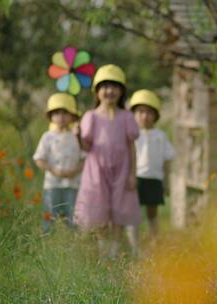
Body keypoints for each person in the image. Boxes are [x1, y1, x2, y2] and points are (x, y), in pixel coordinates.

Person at [73, 64, 141, 257]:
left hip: (122, 168)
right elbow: (86, 147)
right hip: (97, 170)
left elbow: (131, 146)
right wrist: (78, 136)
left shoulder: (127, 116)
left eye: (114, 86)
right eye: (104, 86)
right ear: (97, 91)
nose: (109, 91)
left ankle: (115, 250)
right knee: (99, 206)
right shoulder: (91, 116)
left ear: (122, 91)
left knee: (120, 207)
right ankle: (103, 248)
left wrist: (132, 173)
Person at [33, 93, 84, 233]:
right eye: (56, 113)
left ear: (72, 116)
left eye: (65, 113)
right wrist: (53, 170)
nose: (61, 117)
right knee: (50, 216)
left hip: (73, 185)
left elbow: (84, 159)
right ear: (51, 116)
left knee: (73, 217)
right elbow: (39, 159)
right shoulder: (47, 137)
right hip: (52, 184)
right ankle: (47, 242)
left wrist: (75, 170)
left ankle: (72, 245)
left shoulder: (77, 137)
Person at [129, 89, 174, 241]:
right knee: (133, 212)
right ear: (133, 114)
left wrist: (166, 182)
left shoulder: (161, 136)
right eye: (140, 111)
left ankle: (155, 241)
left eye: (149, 112)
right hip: (137, 177)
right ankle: (134, 244)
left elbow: (167, 160)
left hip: (155, 178)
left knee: (152, 212)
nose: (145, 116)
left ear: (155, 115)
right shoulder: (131, 135)